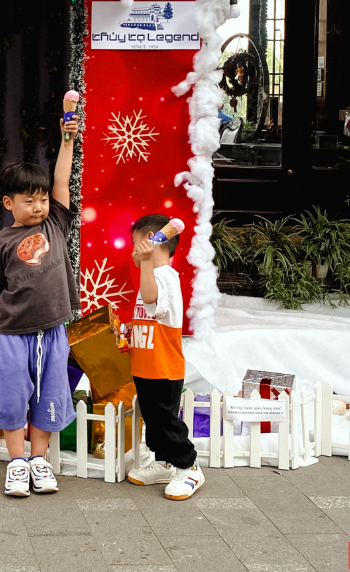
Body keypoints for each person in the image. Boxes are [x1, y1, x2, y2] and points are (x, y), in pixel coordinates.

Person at [0, 117, 81, 498]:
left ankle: (40, 461)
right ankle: (17, 463)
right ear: (9, 203)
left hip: (53, 330)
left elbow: (61, 182)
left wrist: (67, 140)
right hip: (12, 333)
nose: (39, 206)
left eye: (42, 199)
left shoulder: (55, 222)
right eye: (29, 200)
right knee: (11, 394)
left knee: (49, 393)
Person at [125, 214, 204, 499]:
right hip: (146, 364)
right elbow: (147, 317)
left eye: (136, 244)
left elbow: (150, 301)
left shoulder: (164, 276)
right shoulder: (152, 274)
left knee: (166, 421)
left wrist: (145, 263)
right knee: (153, 419)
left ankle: (189, 466)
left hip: (163, 366)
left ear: (152, 243)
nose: (133, 251)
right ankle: (165, 462)